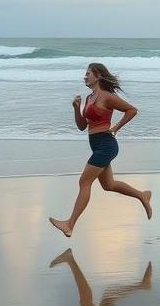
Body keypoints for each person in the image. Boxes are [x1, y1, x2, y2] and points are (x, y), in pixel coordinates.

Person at [49, 62, 152, 237]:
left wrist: (117, 127)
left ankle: (70, 224)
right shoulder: (89, 98)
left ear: (98, 76)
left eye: (88, 73)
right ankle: (142, 195)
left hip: (106, 145)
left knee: (84, 182)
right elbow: (82, 126)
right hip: (96, 144)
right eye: (85, 73)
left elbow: (132, 110)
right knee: (108, 185)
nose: (85, 76)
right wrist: (76, 108)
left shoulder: (106, 96)